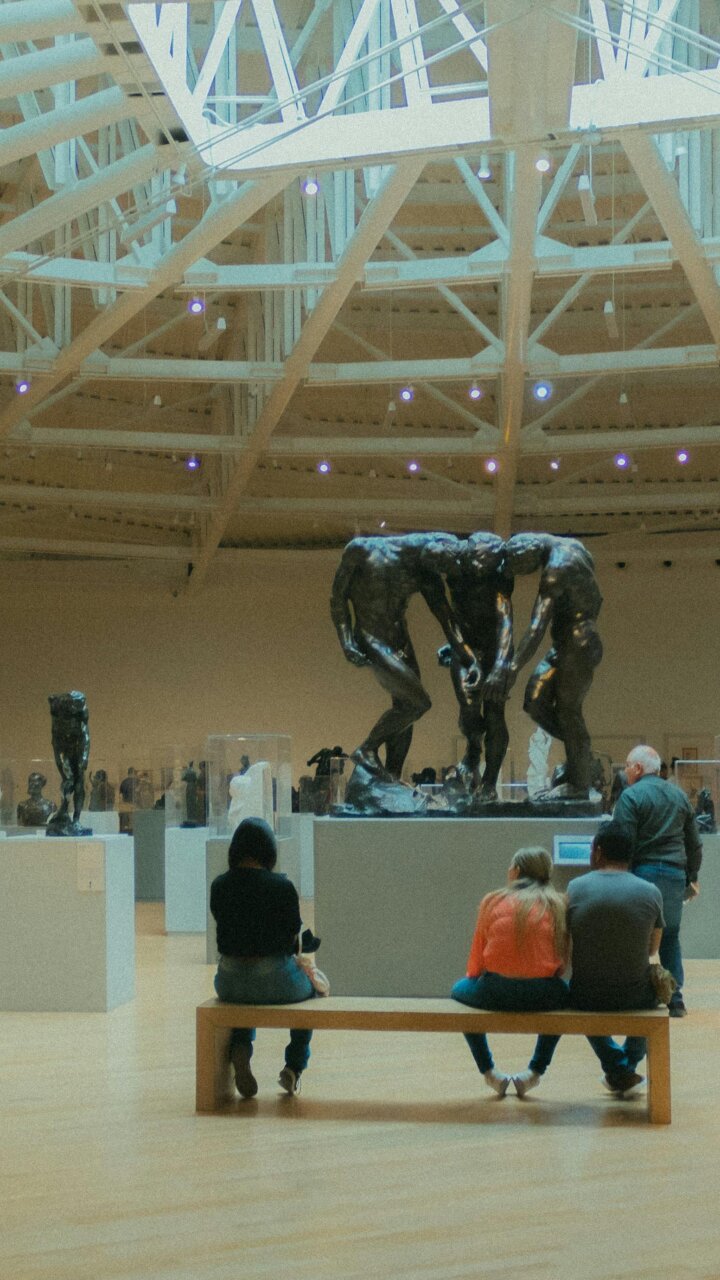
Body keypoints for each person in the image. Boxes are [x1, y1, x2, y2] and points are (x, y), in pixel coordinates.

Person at [330, 533, 481, 779]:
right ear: (431, 553)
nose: (441, 573)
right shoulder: (362, 550)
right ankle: (366, 749)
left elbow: (447, 620)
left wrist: (470, 658)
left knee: (404, 707)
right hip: (371, 638)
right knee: (417, 703)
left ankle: (392, 775)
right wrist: (346, 640)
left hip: (400, 641)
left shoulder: (426, 573)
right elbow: (337, 597)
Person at [532, 822, 665, 1094]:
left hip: (588, 995)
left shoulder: (576, 887)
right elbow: (653, 949)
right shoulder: (651, 891)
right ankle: (625, 1067)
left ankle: (618, 1067)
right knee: (654, 996)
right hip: (635, 995)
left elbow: (563, 944)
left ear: (598, 852)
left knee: (576, 997)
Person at [451, 847, 570, 1097]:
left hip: (496, 990)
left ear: (515, 871)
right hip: (543, 992)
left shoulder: (492, 900)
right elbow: (561, 964)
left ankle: (489, 1072)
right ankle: (535, 1072)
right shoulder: (558, 903)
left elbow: (475, 963)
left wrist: (476, 978)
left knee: (459, 992)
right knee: (565, 997)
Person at [210, 816, 314, 1098]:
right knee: (310, 995)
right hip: (274, 979)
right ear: (269, 850)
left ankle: (241, 1045)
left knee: (246, 988)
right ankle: (293, 1067)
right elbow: (294, 940)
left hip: (228, 980)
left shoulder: (219, 886)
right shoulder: (282, 887)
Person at [501, 533, 603, 799]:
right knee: (534, 701)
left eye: (519, 566)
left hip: (577, 642)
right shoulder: (576, 547)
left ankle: (579, 783)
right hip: (567, 641)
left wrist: (512, 667)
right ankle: (581, 759)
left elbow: (536, 626)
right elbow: (597, 597)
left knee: (569, 712)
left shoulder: (555, 569)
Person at [612, 744, 702, 1017]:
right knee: (670, 937)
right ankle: (675, 999)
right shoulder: (679, 796)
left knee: (637, 937)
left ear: (638, 768)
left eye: (627, 765)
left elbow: (623, 842)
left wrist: (618, 878)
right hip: (674, 875)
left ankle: (636, 993)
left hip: (642, 874)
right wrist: (692, 877)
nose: (625, 771)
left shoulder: (630, 797)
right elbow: (694, 844)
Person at [439, 532, 513, 800]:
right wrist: (460, 649)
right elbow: (450, 618)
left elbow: (506, 621)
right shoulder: (456, 571)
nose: (478, 568)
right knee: (469, 708)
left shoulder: (499, 579)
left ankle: (490, 783)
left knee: (494, 713)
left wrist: (502, 665)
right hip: (464, 648)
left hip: (496, 650)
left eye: (484, 565)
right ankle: (473, 749)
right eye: (475, 562)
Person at [46, 690, 90, 836]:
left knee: (79, 782)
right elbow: (56, 743)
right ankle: (64, 809)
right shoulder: (57, 717)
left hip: (78, 747)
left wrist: (84, 757)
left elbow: (85, 737)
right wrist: (62, 762)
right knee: (68, 779)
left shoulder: (80, 715)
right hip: (62, 749)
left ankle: (76, 819)